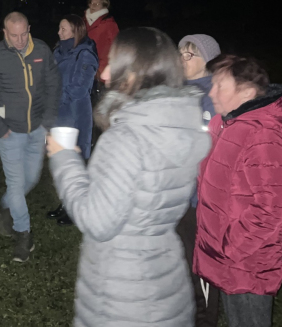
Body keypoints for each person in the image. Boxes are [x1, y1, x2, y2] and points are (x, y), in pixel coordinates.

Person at [47, 27, 211, 327]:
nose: (106, 74)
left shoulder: (126, 139)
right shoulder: (184, 128)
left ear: (135, 74)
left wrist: (64, 157)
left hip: (122, 298)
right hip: (167, 283)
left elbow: (98, 222)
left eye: (114, 63)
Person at [194, 55, 282, 327]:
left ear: (246, 92)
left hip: (246, 263)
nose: (211, 92)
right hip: (225, 257)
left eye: (220, 85)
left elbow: (272, 207)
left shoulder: (263, 134)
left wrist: (229, 248)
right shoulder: (228, 123)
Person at [0, 12, 61, 262]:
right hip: (9, 132)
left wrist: (48, 121)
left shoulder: (41, 49)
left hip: (37, 130)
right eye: (14, 35)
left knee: (30, 179)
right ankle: (24, 234)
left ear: (29, 29)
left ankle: (3, 206)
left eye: (24, 34)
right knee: (16, 185)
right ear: (4, 32)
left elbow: (54, 86)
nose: (21, 40)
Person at [175, 34, 222, 327]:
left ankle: (205, 320)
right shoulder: (177, 92)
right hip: (174, 195)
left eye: (187, 55)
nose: (180, 59)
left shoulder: (216, 98)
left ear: (206, 60)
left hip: (200, 200)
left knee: (200, 268)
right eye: (179, 53)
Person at [46, 15, 98, 226]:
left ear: (76, 31)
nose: (59, 33)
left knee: (75, 162)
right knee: (62, 162)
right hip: (58, 114)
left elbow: (79, 89)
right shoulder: (58, 52)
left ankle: (76, 208)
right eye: (59, 28)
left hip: (75, 115)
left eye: (64, 29)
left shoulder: (85, 54)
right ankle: (65, 202)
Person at [83, 0, 119, 101]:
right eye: (91, 3)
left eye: (97, 3)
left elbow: (116, 46)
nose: (93, 6)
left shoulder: (109, 24)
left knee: (99, 101)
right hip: (84, 67)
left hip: (101, 69)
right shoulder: (83, 21)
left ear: (104, 6)